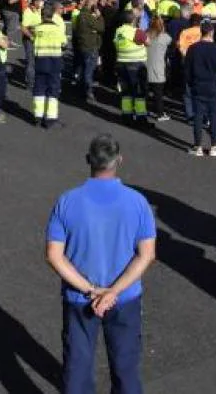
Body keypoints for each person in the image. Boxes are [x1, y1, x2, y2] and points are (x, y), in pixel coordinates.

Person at [46, 134, 156, 394]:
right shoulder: (137, 202)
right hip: (125, 298)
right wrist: (112, 292)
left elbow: (54, 255)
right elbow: (147, 254)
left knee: (77, 367)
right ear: (119, 160)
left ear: (88, 160)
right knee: (126, 367)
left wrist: (91, 290)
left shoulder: (66, 201)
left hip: (79, 298)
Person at [185, 20, 216, 156]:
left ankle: (197, 146)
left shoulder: (192, 48)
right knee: (214, 116)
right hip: (214, 86)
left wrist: (190, 84)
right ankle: (214, 145)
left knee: (198, 116)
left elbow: (187, 70)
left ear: (201, 31)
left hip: (198, 85)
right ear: (212, 32)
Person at [30, 2, 67, 129]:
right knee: (53, 90)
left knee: (39, 88)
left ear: (42, 15)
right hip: (54, 61)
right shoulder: (57, 28)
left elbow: (34, 40)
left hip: (40, 60)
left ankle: (37, 116)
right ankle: (50, 119)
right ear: (52, 15)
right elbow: (64, 43)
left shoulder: (37, 29)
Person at [114, 10, 150, 125]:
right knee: (139, 93)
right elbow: (148, 42)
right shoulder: (136, 32)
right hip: (135, 65)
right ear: (133, 20)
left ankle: (126, 115)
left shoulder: (118, 31)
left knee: (126, 92)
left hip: (121, 64)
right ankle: (141, 118)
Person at [72, 0, 106, 102]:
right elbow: (101, 27)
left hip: (83, 45)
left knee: (83, 68)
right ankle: (88, 92)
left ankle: (81, 90)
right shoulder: (88, 16)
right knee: (88, 71)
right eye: (95, 2)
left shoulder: (80, 15)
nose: (96, 4)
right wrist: (99, 16)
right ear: (91, 2)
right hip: (90, 46)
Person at [145, 16, 172, 121]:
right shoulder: (165, 37)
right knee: (158, 93)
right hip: (158, 67)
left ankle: (144, 109)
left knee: (145, 92)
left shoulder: (146, 35)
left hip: (146, 65)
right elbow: (173, 45)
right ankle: (160, 114)